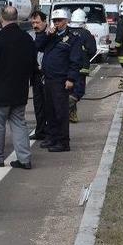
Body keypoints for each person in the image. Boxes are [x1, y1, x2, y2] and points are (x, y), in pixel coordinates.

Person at [0, 6, 36, 170]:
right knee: (19, 124)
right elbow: (33, 65)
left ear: (1, 19)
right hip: (19, 91)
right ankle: (25, 159)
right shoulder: (27, 39)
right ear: (17, 18)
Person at [34, 8, 83, 152]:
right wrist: (47, 34)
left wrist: (71, 78)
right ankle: (52, 137)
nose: (57, 23)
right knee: (50, 110)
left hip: (61, 80)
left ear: (66, 21)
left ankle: (63, 141)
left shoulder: (73, 38)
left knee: (60, 111)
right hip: (48, 79)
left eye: (59, 21)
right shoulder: (51, 36)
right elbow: (38, 46)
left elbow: (76, 60)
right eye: (54, 21)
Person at [68, 9, 97, 123]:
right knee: (78, 92)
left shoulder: (67, 32)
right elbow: (92, 50)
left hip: (68, 68)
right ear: (83, 21)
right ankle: (66, 108)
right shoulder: (86, 33)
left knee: (70, 92)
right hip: (81, 68)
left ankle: (72, 115)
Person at [27, 10, 48, 141]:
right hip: (35, 74)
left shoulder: (50, 35)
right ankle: (40, 130)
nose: (35, 25)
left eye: (38, 22)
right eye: (33, 22)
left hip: (47, 74)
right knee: (38, 104)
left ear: (44, 22)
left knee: (48, 104)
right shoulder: (30, 35)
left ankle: (50, 131)